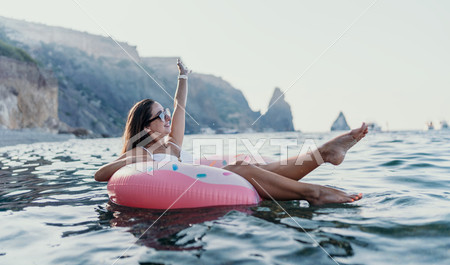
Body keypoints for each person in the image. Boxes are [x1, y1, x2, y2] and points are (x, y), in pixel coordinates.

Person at [94, 59, 369, 206]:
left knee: (253, 165)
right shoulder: (141, 153)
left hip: (205, 179)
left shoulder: (172, 146)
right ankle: (313, 193)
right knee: (244, 168)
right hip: (190, 188)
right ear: (146, 127)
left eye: (166, 113)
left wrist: (183, 76)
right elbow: (100, 174)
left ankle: (325, 153)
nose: (168, 117)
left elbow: (180, 105)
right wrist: (137, 159)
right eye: (161, 116)